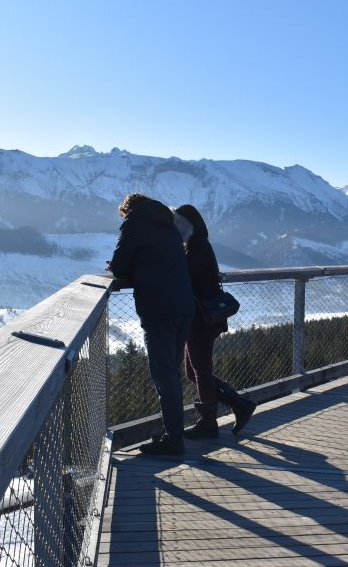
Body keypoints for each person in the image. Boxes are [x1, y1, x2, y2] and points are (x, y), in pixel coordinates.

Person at [108, 193, 194, 456]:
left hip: (159, 309)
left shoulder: (134, 223)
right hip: (183, 305)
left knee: (163, 373)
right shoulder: (168, 224)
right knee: (172, 371)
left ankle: (174, 439)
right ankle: (173, 433)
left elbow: (121, 265)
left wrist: (122, 268)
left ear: (127, 210)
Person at [173, 204, 257, 438]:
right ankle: (239, 405)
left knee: (200, 370)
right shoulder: (197, 246)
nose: (175, 228)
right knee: (195, 371)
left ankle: (209, 423)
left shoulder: (196, 248)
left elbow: (182, 276)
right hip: (201, 318)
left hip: (202, 320)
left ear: (189, 225)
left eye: (178, 223)